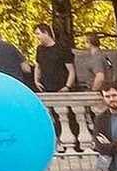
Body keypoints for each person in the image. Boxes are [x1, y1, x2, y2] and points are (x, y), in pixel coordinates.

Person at [33, 23, 81, 154]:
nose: (37, 37)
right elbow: (38, 65)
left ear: (46, 33)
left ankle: (76, 144)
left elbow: (71, 70)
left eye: (38, 34)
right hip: (46, 87)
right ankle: (59, 142)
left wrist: (67, 86)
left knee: (69, 116)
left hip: (61, 87)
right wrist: (36, 80)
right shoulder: (40, 49)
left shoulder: (62, 49)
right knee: (52, 117)